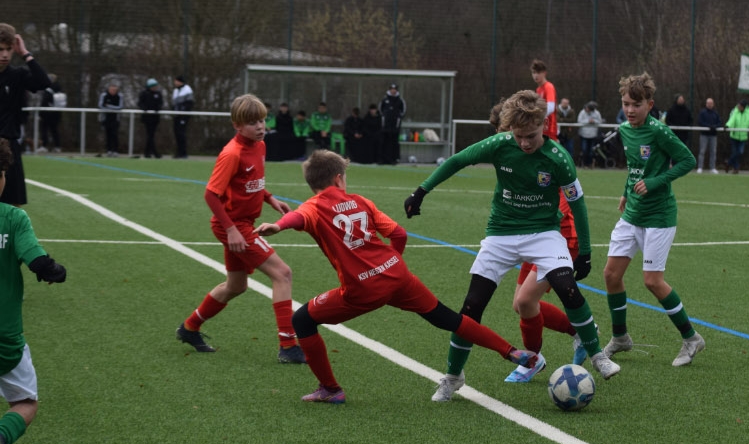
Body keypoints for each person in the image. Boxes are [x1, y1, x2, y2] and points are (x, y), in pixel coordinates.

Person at [255, 149, 538, 403]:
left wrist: (278, 226)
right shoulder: (361, 201)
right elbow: (399, 234)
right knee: (447, 318)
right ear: (339, 179)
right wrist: (390, 264)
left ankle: (330, 389)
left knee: (302, 320)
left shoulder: (314, 207)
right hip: (398, 275)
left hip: (362, 289)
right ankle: (510, 351)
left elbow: (298, 218)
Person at [404, 89, 620, 402]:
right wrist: (421, 191)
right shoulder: (500, 144)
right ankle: (453, 376)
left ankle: (597, 354)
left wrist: (585, 251)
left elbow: (578, 204)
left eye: (531, 136)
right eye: (518, 136)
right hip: (501, 234)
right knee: (472, 306)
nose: (524, 143)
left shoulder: (559, 158)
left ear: (543, 125)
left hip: (544, 233)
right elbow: (458, 160)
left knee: (567, 287)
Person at [175, 94, 306, 364]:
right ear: (237, 125)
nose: (260, 127)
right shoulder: (232, 153)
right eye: (252, 122)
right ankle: (288, 346)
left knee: (236, 286)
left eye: (262, 120)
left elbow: (251, 180)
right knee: (283, 274)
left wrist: (270, 198)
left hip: (242, 224)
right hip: (234, 226)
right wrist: (231, 229)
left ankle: (189, 328)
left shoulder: (260, 145)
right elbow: (211, 195)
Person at [600, 73, 704, 368]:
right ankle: (620, 337)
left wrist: (656, 182)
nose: (630, 110)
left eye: (636, 105)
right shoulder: (624, 129)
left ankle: (692, 338)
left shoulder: (660, 131)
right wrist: (625, 192)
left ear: (650, 104)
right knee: (611, 275)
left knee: (652, 281)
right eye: (626, 104)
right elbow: (635, 166)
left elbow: (688, 160)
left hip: (659, 216)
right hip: (632, 214)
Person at [483, 101, 584, 384]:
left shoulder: (549, 155)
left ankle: (532, 360)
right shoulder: (515, 153)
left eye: (511, 135)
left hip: (559, 237)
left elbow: (566, 200)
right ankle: (581, 332)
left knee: (526, 301)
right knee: (521, 305)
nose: (513, 142)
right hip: (531, 236)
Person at [0, 138, 67, 444]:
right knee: (25, 402)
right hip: (5, 335)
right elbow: (37, 260)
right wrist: (53, 271)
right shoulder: (13, 218)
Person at [0, 25, 52, 206]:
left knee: (14, 204)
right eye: (0, 49)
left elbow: (43, 82)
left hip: (8, 146)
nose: (4, 54)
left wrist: (25, 54)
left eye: (8, 49)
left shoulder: (17, 75)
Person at [531, 59, 558, 140]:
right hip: (541, 128)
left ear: (544, 73)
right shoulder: (538, 89)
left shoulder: (548, 87)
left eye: (538, 73)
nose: (536, 75)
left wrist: (537, 117)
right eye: (534, 73)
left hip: (549, 129)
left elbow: (551, 107)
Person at [379, 83, 406, 165]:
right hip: (385, 126)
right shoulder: (384, 99)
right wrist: (384, 117)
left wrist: (398, 118)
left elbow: (403, 111)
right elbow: (380, 110)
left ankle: (394, 159)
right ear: (389, 90)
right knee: (384, 142)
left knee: (394, 143)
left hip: (395, 126)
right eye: (392, 89)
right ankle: (383, 160)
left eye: (394, 89)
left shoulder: (400, 100)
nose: (393, 91)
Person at [37, 75, 64, 154]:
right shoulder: (59, 89)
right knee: (54, 130)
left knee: (44, 130)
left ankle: (44, 146)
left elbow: (44, 102)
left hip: (47, 114)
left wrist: (40, 113)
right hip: (56, 113)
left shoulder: (48, 90)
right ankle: (57, 147)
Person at [138, 78, 163, 159]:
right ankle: (154, 152)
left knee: (151, 135)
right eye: (153, 86)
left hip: (155, 117)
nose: (155, 87)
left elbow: (160, 103)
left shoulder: (158, 94)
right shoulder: (144, 93)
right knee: (150, 135)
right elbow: (140, 103)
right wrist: (144, 108)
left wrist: (158, 108)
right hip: (147, 118)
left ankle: (147, 152)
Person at [696, 97, 722, 174]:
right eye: (708, 103)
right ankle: (700, 167)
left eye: (711, 103)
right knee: (702, 151)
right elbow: (700, 122)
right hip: (704, 135)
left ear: (713, 104)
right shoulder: (702, 113)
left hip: (713, 135)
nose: (710, 105)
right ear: (706, 104)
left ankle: (712, 167)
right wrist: (708, 126)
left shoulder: (715, 113)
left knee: (713, 151)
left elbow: (719, 122)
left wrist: (714, 127)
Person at [98, 81, 124, 158]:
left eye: (115, 90)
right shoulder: (104, 95)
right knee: (107, 134)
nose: (113, 91)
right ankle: (108, 150)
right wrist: (111, 107)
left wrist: (108, 106)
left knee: (115, 135)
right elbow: (101, 105)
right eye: (112, 90)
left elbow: (120, 107)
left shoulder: (119, 96)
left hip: (115, 119)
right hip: (106, 118)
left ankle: (115, 151)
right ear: (109, 89)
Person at [171, 75, 194, 159]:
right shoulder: (175, 91)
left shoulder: (187, 89)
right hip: (176, 115)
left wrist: (183, 113)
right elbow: (174, 103)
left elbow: (189, 103)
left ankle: (183, 153)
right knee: (177, 133)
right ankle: (179, 152)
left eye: (176, 81)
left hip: (183, 116)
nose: (175, 82)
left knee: (182, 133)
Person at [577, 100, 603, 168]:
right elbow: (579, 121)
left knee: (591, 151)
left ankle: (590, 164)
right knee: (584, 150)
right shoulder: (582, 112)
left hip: (593, 134)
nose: (587, 110)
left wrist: (594, 121)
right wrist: (588, 121)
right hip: (583, 134)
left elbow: (599, 121)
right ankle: (584, 164)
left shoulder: (597, 113)